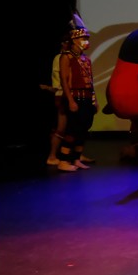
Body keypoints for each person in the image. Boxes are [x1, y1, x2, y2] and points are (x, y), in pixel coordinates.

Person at [57, 13, 98, 172]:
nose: (86, 41)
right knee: (72, 130)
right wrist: (70, 100)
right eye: (83, 38)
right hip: (75, 97)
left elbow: (91, 81)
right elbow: (64, 80)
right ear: (74, 40)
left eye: (87, 38)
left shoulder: (86, 59)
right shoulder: (66, 58)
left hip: (86, 98)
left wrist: (94, 100)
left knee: (83, 129)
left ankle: (76, 158)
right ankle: (63, 160)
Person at [42, 36, 71, 166]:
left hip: (71, 95)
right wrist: (51, 89)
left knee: (74, 128)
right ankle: (52, 156)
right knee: (61, 128)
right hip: (62, 95)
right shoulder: (59, 58)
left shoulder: (72, 58)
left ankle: (75, 155)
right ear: (62, 44)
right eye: (67, 42)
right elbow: (58, 82)